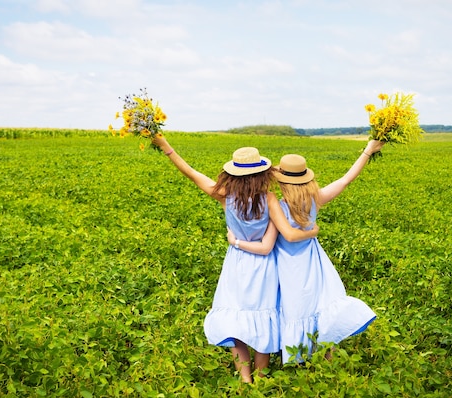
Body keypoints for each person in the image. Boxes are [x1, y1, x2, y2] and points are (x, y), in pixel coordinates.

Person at [151, 135, 317, 382]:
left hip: (237, 264)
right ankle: (261, 378)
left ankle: (245, 379)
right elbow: (280, 236)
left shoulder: (224, 196)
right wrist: (312, 229)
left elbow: (191, 173)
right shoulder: (269, 199)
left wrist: (166, 147)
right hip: (265, 265)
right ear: (262, 174)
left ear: (232, 174)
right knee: (265, 318)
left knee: (235, 320)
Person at [229, 139, 385, 363]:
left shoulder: (277, 206)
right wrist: (368, 151)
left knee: (294, 309)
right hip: (314, 261)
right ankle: (326, 361)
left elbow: (282, 234)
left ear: (281, 181)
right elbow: (346, 179)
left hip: (287, 265)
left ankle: (295, 355)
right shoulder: (315, 199)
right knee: (319, 307)